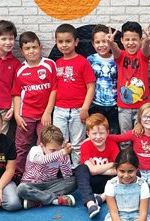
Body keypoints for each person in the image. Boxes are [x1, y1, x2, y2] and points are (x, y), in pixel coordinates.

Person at [11, 31, 57, 182]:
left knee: (43, 146)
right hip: (26, 115)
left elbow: (54, 90)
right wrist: (17, 115)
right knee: (21, 146)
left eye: (34, 47)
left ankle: (42, 174)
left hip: (44, 115)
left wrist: (48, 112)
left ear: (40, 47)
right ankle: (19, 174)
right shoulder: (20, 70)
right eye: (27, 48)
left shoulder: (50, 65)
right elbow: (17, 94)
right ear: (21, 51)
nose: (31, 51)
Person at [54, 23, 96, 168]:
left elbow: (91, 86)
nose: (64, 45)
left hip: (78, 110)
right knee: (60, 143)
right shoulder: (57, 64)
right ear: (56, 43)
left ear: (76, 42)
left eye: (68, 41)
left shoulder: (83, 62)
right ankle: (63, 172)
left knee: (78, 144)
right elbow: (54, 89)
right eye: (60, 42)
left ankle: (78, 171)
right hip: (59, 110)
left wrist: (85, 108)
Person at [106, 21, 150, 148]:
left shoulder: (142, 55)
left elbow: (145, 49)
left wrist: (148, 41)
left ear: (140, 40)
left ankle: (140, 164)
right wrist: (110, 43)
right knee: (125, 140)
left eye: (134, 39)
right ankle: (125, 164)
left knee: (142, 137)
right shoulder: (121, 55)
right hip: (124, 107)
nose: (130, 43)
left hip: (142, 108)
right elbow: (115, 50)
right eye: (127, 39)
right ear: (121, 40)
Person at [109, 103, 150, 197]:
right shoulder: (136, 133)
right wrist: (102, 137)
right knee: (123, 187)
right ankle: (142, 184)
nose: (149, 119)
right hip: (136, 170)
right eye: (145, 117)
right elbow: (119, 138)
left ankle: (144, 186)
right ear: (140, 120)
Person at [17, 125, 76, 209]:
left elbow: (67, 176)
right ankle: (55, 200)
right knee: (21, 189)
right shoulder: (35, 150)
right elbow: (42, 161)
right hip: (32, 184)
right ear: (42, 146)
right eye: (52, 150)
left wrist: (64, 158)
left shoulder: (61, 153)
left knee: (73, 181)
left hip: (50, 184)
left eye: (58, 149)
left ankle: (36, 200)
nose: (56, 152)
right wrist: (61, 152)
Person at [75, 113, 119, 219]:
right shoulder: (85, 146)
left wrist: (96, 169)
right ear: (88, 134)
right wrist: (111, 164)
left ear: (107, 133)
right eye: (94, 133)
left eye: (102, 133)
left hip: (109, 182)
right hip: (93, 182)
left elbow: (119, 168)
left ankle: (101, 198)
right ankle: (91, 204)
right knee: (80, 169)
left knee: (133, 173)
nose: (98, 137)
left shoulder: (112, 144)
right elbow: (92, 171)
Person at [87, 24, 119, 134]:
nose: (101, 45)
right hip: (96, 105)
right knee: (96, 133)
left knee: (113, 134)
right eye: (97, 42)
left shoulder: (117, 57)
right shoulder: (90, 59)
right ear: (93, 44)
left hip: (114, 105)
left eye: (105, 41)